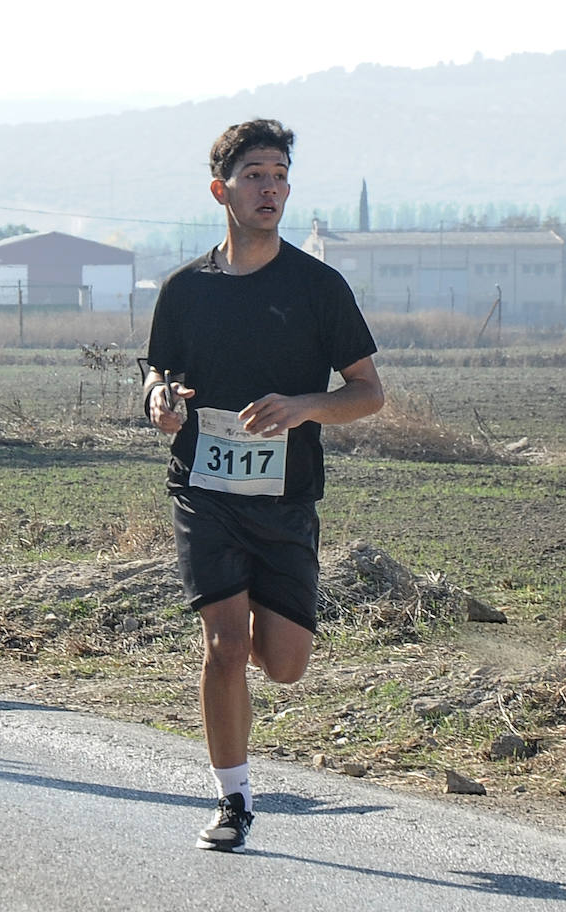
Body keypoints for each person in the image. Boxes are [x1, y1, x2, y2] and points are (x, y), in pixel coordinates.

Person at [142, 119, 384, 853]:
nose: (269, 187)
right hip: (204, 492)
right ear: (221, 190)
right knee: (222, 646)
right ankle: (233, 800)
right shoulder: (184, 290)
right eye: (254, 175)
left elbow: (369, 392)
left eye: (279, 174)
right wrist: (158, 400)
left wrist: (304, 406)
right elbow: (157, 375)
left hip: (286, 500)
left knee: (282, 662)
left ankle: (241, 643)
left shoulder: (318, 287)